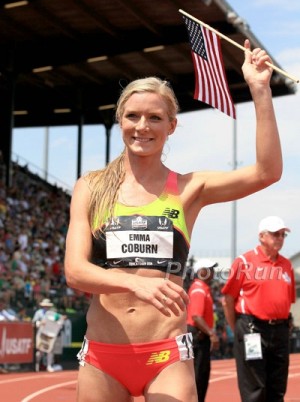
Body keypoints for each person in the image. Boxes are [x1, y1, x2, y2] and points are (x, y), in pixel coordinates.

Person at [65, 40, 283, 402]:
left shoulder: (190, 188)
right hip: (103, 355)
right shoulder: (91, 187)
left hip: (165, 353)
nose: (142, 126)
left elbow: (267, 172)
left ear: (172, 126)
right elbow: (75, 271)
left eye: (154, 118)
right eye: (132, 116)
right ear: (120, 121)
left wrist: (260, 91)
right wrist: (136, 285)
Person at [222, 216, 296, 402]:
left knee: (277, 387)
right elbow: (227, 300)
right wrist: (238, 329)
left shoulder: (286, 265)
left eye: (282, 235)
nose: (280, 238)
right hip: (252, 328)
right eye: (275, 234)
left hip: (279, 330)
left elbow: (288, 300)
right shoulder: (244, 262)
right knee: (255, 388)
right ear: (262, 236)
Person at [187, 259, 220, 402]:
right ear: (201, 271)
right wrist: (212, 334)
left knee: (201, 375)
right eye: (210, 269)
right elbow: (196, 316)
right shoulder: (199, 290)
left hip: (199, 337)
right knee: (199, 376)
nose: (213, 272)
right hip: (198, 338)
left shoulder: (202, 288)